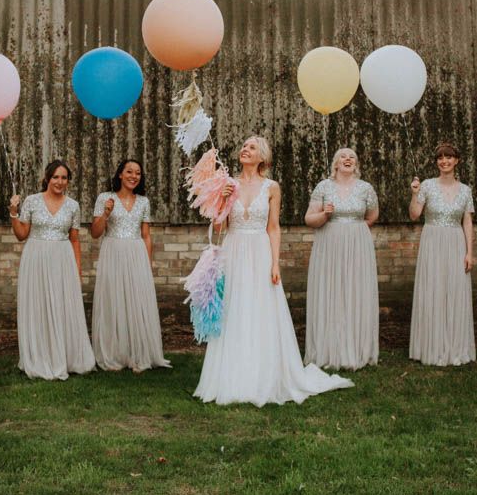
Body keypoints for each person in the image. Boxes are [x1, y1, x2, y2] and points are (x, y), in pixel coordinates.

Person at [194, 136, 353, 406]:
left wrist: (275, 262)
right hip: (234, 252)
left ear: (262, 158)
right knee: (235, 309)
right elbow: (219, 230)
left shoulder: (272, 187)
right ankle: (232, 376)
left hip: (260, 251)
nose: (245, 149)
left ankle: (264, 376)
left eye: (251, 147)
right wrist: (220, 205)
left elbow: (273, 228)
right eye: (243, 146)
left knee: (260, 309)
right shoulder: (227, 185)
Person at [9, 160, 95, 380]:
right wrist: (13, 212)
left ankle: (64, 356)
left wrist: (77, 269)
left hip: (62, 258)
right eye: (56, 177)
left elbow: (75, 240)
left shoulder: (73, 205)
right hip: (36, 258)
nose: (59, 181)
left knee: (62, 306)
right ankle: (40, 356)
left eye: (64, 178)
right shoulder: (32, 201)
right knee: (38, 305)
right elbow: (21, 234)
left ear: (68, 181)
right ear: (47, 178)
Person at [90, 159, 170, 372]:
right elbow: (95, 233)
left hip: (136, 253)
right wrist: (106, 214)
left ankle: (138, 354)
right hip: (112, 252)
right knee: (113, 300)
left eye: (138, 173)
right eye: (129, 172)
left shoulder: (143, 202)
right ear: (120, 174)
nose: (134, 176)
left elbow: (146, 235)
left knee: (136, 302)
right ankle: (114, 354)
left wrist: (147, 263)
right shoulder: (104, 199)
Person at [304, 148, 380, 370]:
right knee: (332, 292)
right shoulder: (324, 187)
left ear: (356, 164)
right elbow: (309, 219)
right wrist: (325, 215)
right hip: (329, 245)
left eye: (352, 157)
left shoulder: (366, 188)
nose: (348, 159)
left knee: (356, 292)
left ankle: (358, 349)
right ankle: (330, 349)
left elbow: (373, 216)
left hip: (358, 246)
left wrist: (354, 231)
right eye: (343, 157)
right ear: (335, 163)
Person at [408, 142, 475, 366]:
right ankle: (430, 346)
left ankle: (454, 346)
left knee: (454, 290)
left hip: (456, 242)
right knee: (433, 289)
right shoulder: (426, 185)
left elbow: (467, 222)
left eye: (449, 157)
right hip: (432, 241)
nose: (444, 161)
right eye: (440, 158)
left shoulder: (466, 190)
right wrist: (414, 194)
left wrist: (469, 253)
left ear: (457, 161)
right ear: (437, 162)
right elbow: (415, 215)